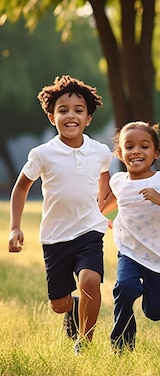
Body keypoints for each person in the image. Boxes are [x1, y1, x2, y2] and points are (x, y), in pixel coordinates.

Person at [8, 75, 113, 354]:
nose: (71, 115)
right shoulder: (43, 154)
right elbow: (20, 189)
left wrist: (102, 209)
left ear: (88, 118)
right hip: (55, 237)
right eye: (63, 110)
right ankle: (73, 306)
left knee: (90, 280)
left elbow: (105, 181)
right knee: (60, 305)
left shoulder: (100, 152)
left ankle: (85, 343)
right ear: (52, 116)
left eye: (78, 110)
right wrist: (14, 228)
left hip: (90, 230)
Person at [102, 121, 160, 353]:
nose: (136, 151)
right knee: (124, 288)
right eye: (129, 146)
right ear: (121, 154)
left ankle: (147, 298)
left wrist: (159, 198)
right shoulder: (118, 181)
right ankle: (121, 345)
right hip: (129, 250)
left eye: (144, 146)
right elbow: (108, 204)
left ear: (156, 153)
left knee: (156, 312)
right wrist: (97, 217)